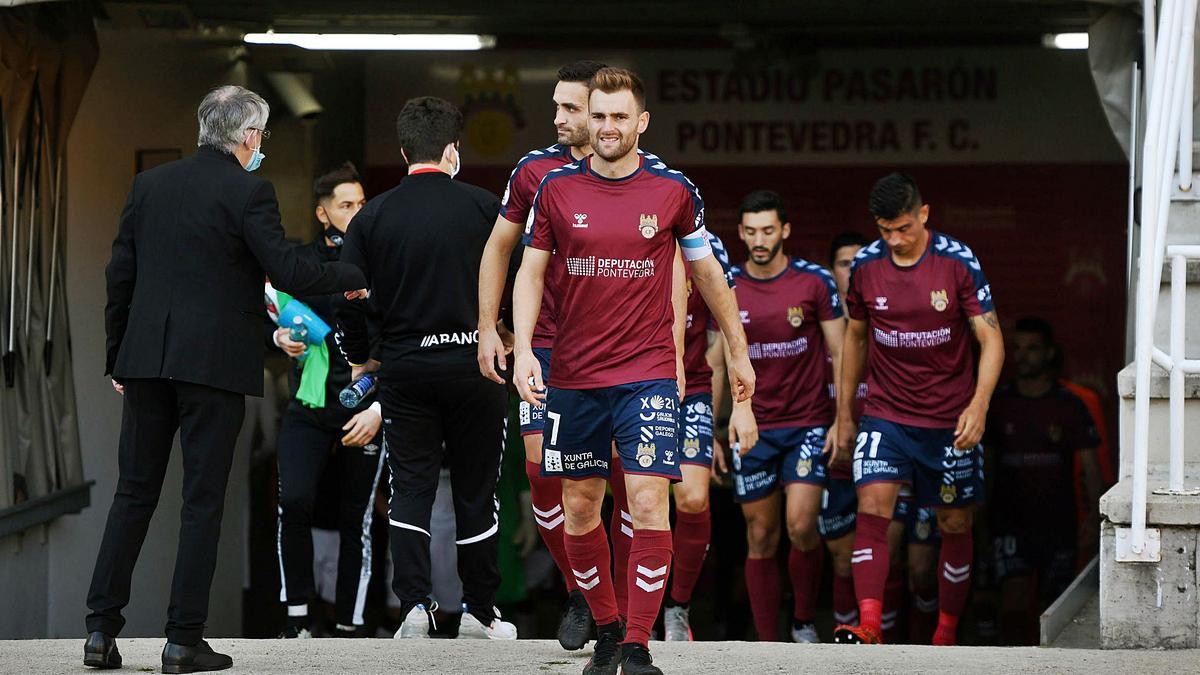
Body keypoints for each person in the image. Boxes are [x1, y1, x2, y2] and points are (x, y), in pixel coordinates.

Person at [89, 85, 366, 672]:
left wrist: (118, 355)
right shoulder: (249, 191)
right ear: (248, 137)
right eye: (260, 136)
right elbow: (287, 269)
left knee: (132, 494)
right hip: (211, 370)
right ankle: (182, 640)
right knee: (201, 501)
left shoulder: (150, 186)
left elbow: (121, 276)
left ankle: (99, 632)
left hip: (144, 363)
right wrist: (355, 275)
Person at [512, 67, 754, 675]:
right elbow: (531, 273)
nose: (608, 127)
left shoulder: (673, 190)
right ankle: (609, 626)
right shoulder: (557, 189)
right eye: (599, 116)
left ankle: (639, 644)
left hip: (647, 373)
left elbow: (705, 274)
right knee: (581, 508)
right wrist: (521, 352)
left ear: (641, 123)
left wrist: (739, 346)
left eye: (620, 117)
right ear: (587, 120)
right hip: (571, 376)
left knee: (649, 501)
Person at [335, 96, 517, 641]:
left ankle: (414, 606)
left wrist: (360, 355)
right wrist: (506, 330)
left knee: (410, 485)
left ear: (402, 151)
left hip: (406, 371)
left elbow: (348, 296)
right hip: (476, 365)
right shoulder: (487, 207)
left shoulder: (372, 216)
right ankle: (482, 612)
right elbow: (520, 279)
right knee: (475, 490)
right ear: (453, 150)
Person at [833, 172, 1003, 646]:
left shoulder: (957, 262)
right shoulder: (866, 265)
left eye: (904, 228)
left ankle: (945, 633)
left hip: (950, 421)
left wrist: (980, 404)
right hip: (886, 415)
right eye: (885, 230)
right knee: (872, 509)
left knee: (954, 522)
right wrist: (846, 415)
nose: (895, 240)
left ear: (924, 215)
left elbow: (990, 338)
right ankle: (869, 625)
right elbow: (856, 336)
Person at [476, 59, 608, 650]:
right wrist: (488, 327)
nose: (558, 118)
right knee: (541, 472)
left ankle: (620, 609)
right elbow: (498, 248)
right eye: (555, 106)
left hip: (618, 351)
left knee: (615, 484)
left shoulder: (642, 176)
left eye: (570, 108)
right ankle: (583, 589)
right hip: (546, 346)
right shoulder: (533, 171)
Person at [717, 190, 845, 643]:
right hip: (751, 426)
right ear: (740, 233)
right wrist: (716, 427)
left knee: (801, 525)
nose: (759, 239)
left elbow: (842, 351)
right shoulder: (725, 281)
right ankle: (769, 644)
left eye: (768, 230)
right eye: (750, 231)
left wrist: (841, 419)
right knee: (760, 534)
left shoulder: (815, 282)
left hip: (808, 422)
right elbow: (717, 360)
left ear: (785, 231)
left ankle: (805, 621)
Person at [272, 162, 385, 639]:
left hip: (365, 405)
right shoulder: (298, 263)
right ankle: (297, 618)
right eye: (346, 205)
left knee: (354, 518)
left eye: (362, 204)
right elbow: (271, 316)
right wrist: (278, 337)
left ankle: (351, 625)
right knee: (293, 502)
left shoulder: (383, 259)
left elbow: (399, 337)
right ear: (323, 213)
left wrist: (381, 408)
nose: (357, 213)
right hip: (310, 404)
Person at [826, 231, 941, 643]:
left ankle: (920, 642)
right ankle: (863, 635)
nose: (854, 269)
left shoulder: (898, 316)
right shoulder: (826, 323)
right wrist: (836, 425)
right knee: (848, 553)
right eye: (844, 263)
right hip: (845, 451)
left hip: (902, 437)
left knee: (920, 566)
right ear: (832, 271)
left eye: (860, 261)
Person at [986, 317, 1102, 644]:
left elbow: (1091, 469)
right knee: (1013, 602)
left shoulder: (1070, 404)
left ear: (1050, 353)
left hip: (1058, 524)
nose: (1023, 356)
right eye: (1017, 348)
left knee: (1053, 611)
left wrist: (1094, 521)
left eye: (1032, 348)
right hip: (1009, 521)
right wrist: (979, 521)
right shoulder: (1000, 402)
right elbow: (987, 466)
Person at [661, 230, 736, 641]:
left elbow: (719, 337)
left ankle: (678, 607)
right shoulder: (625, 231)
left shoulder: (707, 245)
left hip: (694, 390)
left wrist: (718, 424)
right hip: (638, 385)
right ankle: (635, 612)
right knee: (643, 502)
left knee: (692, 498)